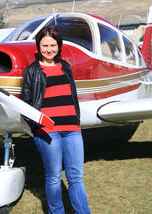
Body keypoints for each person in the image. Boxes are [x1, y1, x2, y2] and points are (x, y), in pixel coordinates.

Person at [21, 26, 91, 214]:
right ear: (38, 47)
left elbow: (72, 96)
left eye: (53, 45)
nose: (49, 49)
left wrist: (76, 121)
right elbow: (25, 104)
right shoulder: (32, 71)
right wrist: (36, 127)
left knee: (76, 178)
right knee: (53, 177)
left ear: (59, 46)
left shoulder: (65, 67)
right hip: (47, 131)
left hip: (72, 129)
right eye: (45, 45)